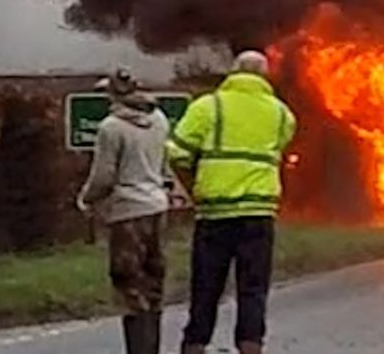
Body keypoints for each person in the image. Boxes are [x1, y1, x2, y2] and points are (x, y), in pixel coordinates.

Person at [168, 51, 297, 354]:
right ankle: (251, 346)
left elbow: (177, 154)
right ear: (264, 77)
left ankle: (195, 344)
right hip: (259, 213)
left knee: (206, 285)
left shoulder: (207, 108)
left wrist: (193, 187)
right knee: (253, 287)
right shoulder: (281, 114)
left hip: (214, 211)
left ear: (233, 72)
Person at [77, 68, 171, 354]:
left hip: (128, 212)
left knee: (129, 283)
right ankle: (152, 347)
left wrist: (86, 198)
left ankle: (138, 350)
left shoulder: (111, 127)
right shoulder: (160, 120)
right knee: (153, 282)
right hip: (157, 207)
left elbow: (104, 175)